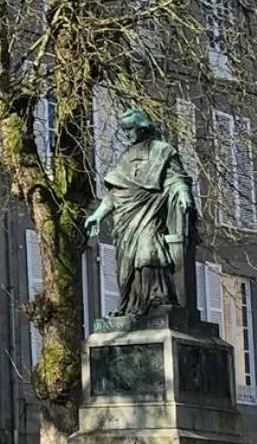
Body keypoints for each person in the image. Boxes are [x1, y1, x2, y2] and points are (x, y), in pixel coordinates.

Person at [84, 107, 199, 328]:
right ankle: (132, 306)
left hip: (151, 213)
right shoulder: (125, 157)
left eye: (130, 130)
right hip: (126, 220)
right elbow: (116, 193)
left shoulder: (163, 151)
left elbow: (176, 179)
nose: (127, 135)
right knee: (126, 264)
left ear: (143, 128)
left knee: (149, 252)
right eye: (125, 130)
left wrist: (183, 193)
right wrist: (97, 215)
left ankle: (157, 299)